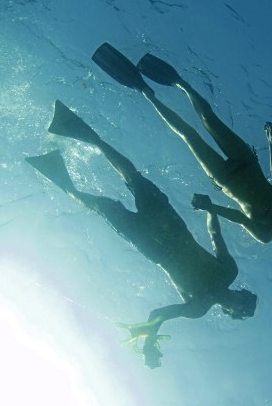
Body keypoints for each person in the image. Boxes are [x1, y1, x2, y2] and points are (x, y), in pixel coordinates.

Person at [26, 100, 257, 368]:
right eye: (245, 302)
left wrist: (149, 343)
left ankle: (59, 175)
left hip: (153, 247)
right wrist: (210, 209)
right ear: (242, 294)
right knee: (133, 177)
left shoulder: (197, 309)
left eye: (242, 311)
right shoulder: (229, 272)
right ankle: (87, 135)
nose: (240, 305)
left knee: (103, 207)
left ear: (231, 313)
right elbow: (216, 237)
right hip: (173, 226)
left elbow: (158, 314)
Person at [91, 43, 272, 257]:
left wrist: (211, 207)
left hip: (225, 179)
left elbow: (238, 217)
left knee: (189, 135)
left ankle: (147, 94)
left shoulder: (265, 235)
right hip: (246, 160)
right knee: (208, 118)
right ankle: (180, 83)